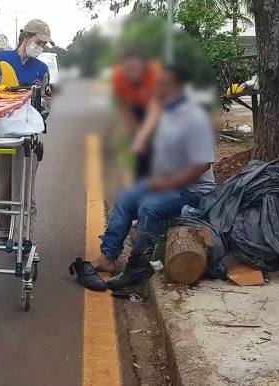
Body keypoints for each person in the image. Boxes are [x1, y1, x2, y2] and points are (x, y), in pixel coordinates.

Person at [73, 66, 217, 291]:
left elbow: (202, 165)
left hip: (196, 192)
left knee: (149, 208)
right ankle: (107, 257)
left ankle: (140, 264)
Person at [0, 19, 54, 245]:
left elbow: (46, 99)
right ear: (26, 38)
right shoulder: (0, 59)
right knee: (1, 185)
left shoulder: (41, 69)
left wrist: (36, 116)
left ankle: (25, 236)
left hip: (26, 137)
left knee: (24, 188)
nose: (41, 48)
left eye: (44, 45)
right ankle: (3, 233)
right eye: (39, 42)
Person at [112, 45, 162, 181]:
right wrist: (137, 134)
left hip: (162, 110)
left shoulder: (154, 73)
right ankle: (140, 187)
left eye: (135, 69)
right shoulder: (117, 76)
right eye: (128, 69)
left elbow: (155, 109)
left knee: (157, 148)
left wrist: (142, 137)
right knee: (141, 155)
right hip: (137, 107)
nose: (131, 73)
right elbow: (124, 109)